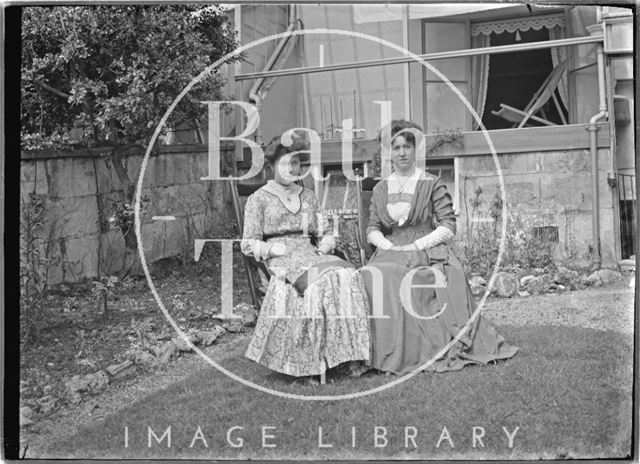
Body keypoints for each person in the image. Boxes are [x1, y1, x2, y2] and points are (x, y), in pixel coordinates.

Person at [361, 120, 518, 375]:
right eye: (396, 147)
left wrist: (414, 245)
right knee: (368, 275)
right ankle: (372, 352)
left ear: (415, 151)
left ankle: (404, 353)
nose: (401, 153)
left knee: (395, 276)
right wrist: (388, 245)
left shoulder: (431, 183)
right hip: (391, 248)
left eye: (406, 147)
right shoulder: (381, 188)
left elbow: (447, 226)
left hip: (425, 247)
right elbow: (372, 228)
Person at [241, 135, 370, 380]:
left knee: (348, 276)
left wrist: (326, 244)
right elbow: (248, 243)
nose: (291, 169)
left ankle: (347, 356)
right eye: (285, 163)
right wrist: (270, 251)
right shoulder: (259, 199)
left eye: (296, 163)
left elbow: (325, 230)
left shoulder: (308, 196)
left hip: (310, 253)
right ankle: (309, 364)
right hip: (281, 257)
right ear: (271, 164)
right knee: (317, 286)